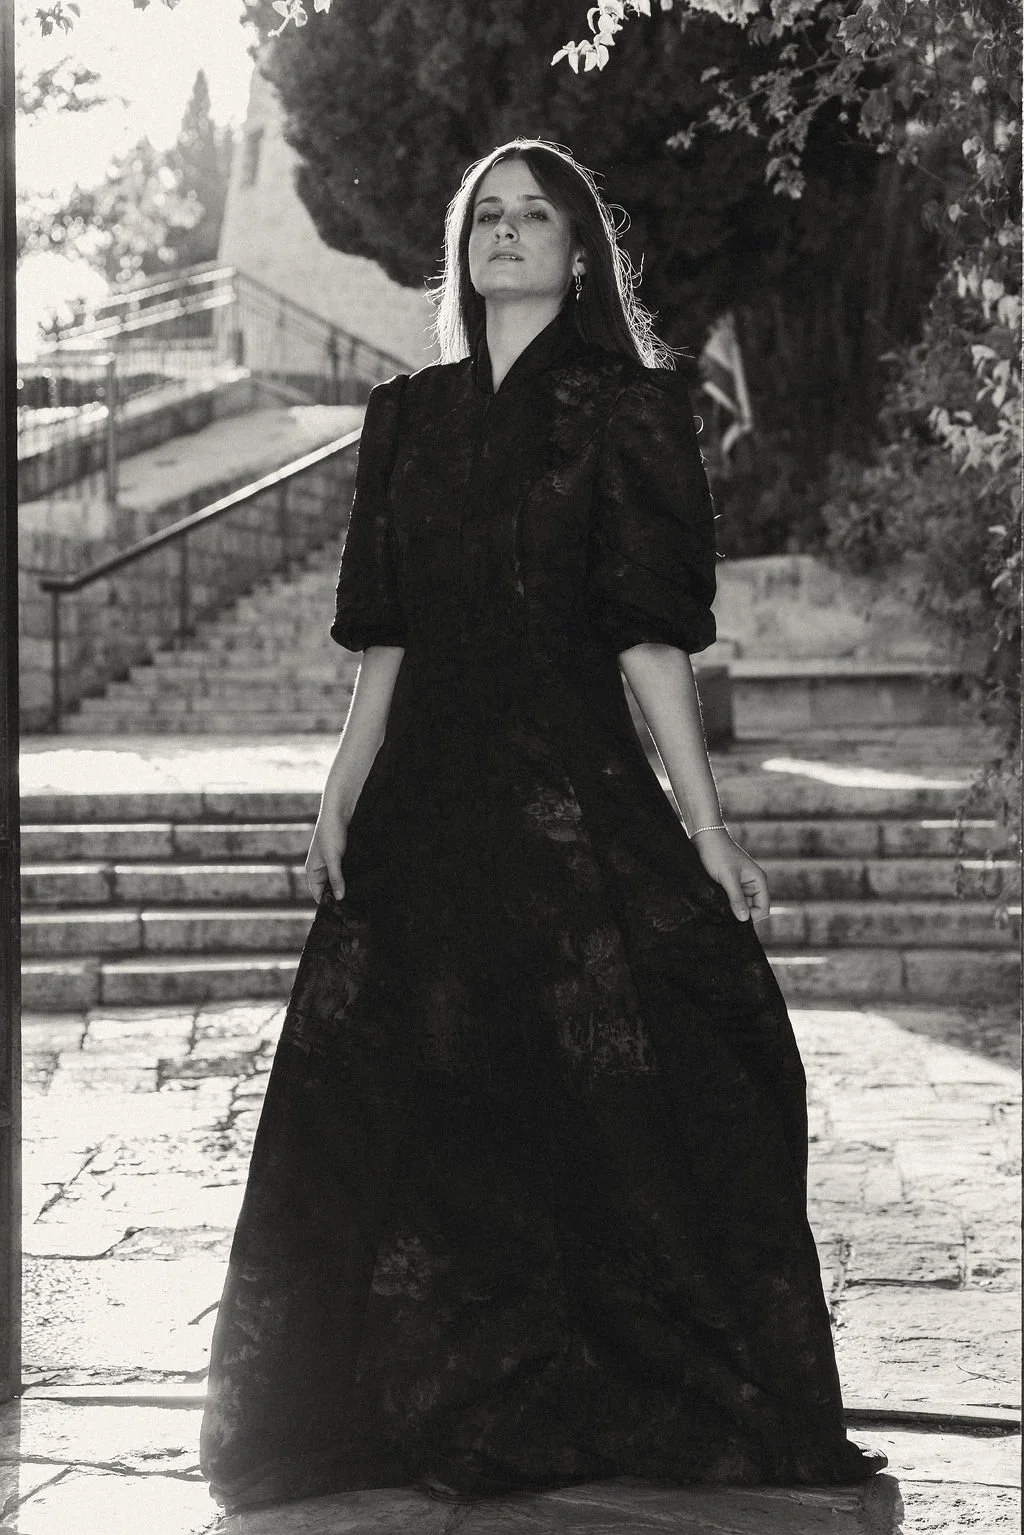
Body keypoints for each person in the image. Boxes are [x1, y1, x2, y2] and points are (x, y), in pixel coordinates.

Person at [199, 137, 886, 1512]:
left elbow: (649, 641)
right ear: (463, 249)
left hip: (574, 796)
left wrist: (707, 825)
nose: (507, 234)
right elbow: (381, 637)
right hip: (423, 808)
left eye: (536, 217)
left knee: (693, 1054)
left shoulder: (633, 409)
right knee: (391, 1093)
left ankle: (646, 1381)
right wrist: (341, 786)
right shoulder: (406, 415)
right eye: (488, 216)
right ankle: (407, 1395)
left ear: (581, 254)